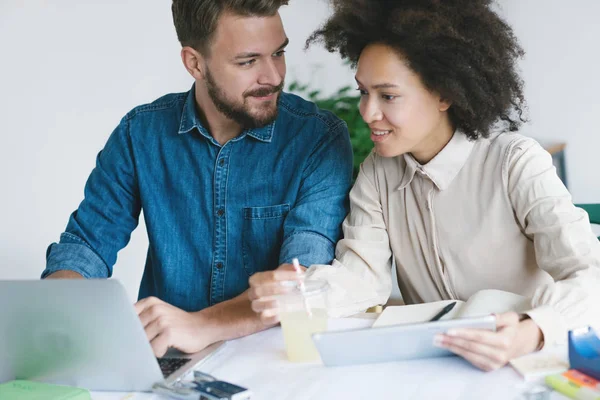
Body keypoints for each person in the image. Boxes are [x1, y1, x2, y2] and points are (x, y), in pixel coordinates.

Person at [248, 0, 600, 371]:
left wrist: (532, 330)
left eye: (388, 96)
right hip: (438, 367)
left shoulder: (515, 162)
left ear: (444, 94)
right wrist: (299, 288)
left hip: (525, 364)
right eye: (363, 92)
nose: (368, 112)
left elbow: (591, 274)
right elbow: (362, 280)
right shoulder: (377, 173)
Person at [42, 0, 353, 357]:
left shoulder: (318, 138)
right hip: (165, 353)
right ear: (195, 63)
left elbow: (302, 278)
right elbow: (88, 244)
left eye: (278, 53)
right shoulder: (140, 133)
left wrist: (201, 326)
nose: (273, 76)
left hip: (272, 358)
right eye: (248, 61)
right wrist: (56, 306)